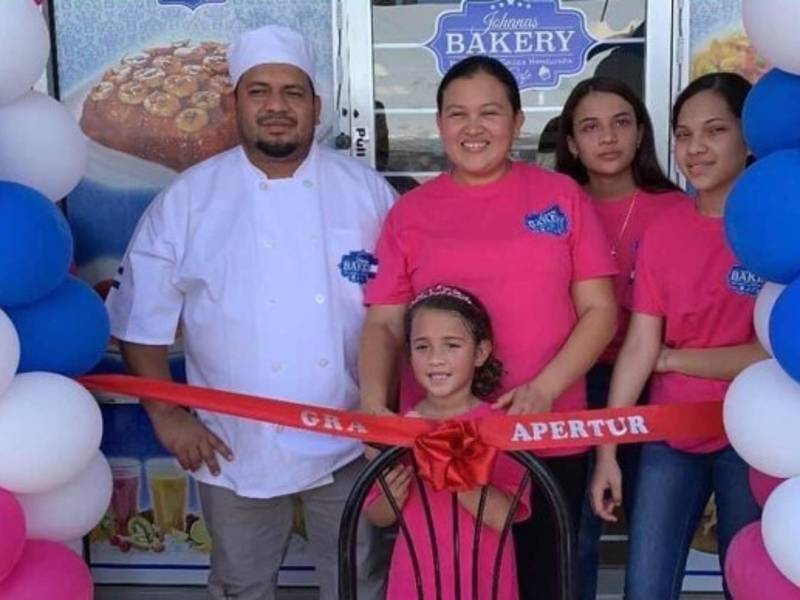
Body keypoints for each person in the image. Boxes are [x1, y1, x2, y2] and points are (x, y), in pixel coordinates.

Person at [105, 24, 395, 600]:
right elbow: (141, 318)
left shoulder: (367, 192)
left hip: (349, 438)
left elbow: (398, 314)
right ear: (232, 102)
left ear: (316, 107)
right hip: (234, 444)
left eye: (292, 92)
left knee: (357, 582)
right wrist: (168, 416)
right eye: (259, 91)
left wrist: (386, 417)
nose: (277, 107)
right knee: (241, 585)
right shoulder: (190, 199)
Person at [359, 55, 618, 599]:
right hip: (439, 442)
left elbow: (600, 311)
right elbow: (383, 322)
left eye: (490, 113)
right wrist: (371, 409)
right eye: (457, 114)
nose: (473, 128)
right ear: (439, 124)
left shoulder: (560, 197)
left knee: (544, 582)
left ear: (518, 123)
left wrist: (544, 390)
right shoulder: (410, 213)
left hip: (544, 437)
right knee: (446, 580)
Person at [590, 72, 766, 600]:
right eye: (684, 135)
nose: (696, 149)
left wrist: (674, 360)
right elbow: (642, 346)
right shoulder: (665, 230)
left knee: (749, 583)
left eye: (714, 131)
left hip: (753, 437)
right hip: (672, 434)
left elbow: (771, 355)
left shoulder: (773, 231)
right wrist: (607, 450)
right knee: (645, 586)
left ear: (748, 136)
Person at [555, 75, 687, 600]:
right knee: (577, 535)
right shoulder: (554, 207)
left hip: (655, 384)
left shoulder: (676, 209)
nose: (607, 137)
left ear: (640, 134)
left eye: (620, 123)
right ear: (571, 143)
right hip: (574, 382)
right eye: (590, 127)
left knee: (650, 536)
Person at [365, 284, 530, 599]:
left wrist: (445, 465)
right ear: (408, 354)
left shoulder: (500, 426)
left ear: (480, 352)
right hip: (415, 580)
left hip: (485, 580)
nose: (436, 359)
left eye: (452, 345)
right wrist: (391, 498)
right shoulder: (399, 429)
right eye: (422, 347)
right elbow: (376, 515)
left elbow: (504, 516)